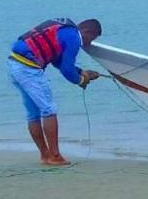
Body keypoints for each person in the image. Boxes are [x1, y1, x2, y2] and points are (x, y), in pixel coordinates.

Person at [7, 18, 102, 165]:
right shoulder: (74, 38)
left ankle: (45, 156)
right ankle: (55, 156)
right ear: (86, 31)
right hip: (29, 69)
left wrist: (81, 72)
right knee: (49, 110)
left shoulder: (63, 29)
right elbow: (66, 70)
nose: (88, 44)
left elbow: (57, 61)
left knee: (33, 113)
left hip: (14, 63)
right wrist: (82, 80)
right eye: (91, 39)